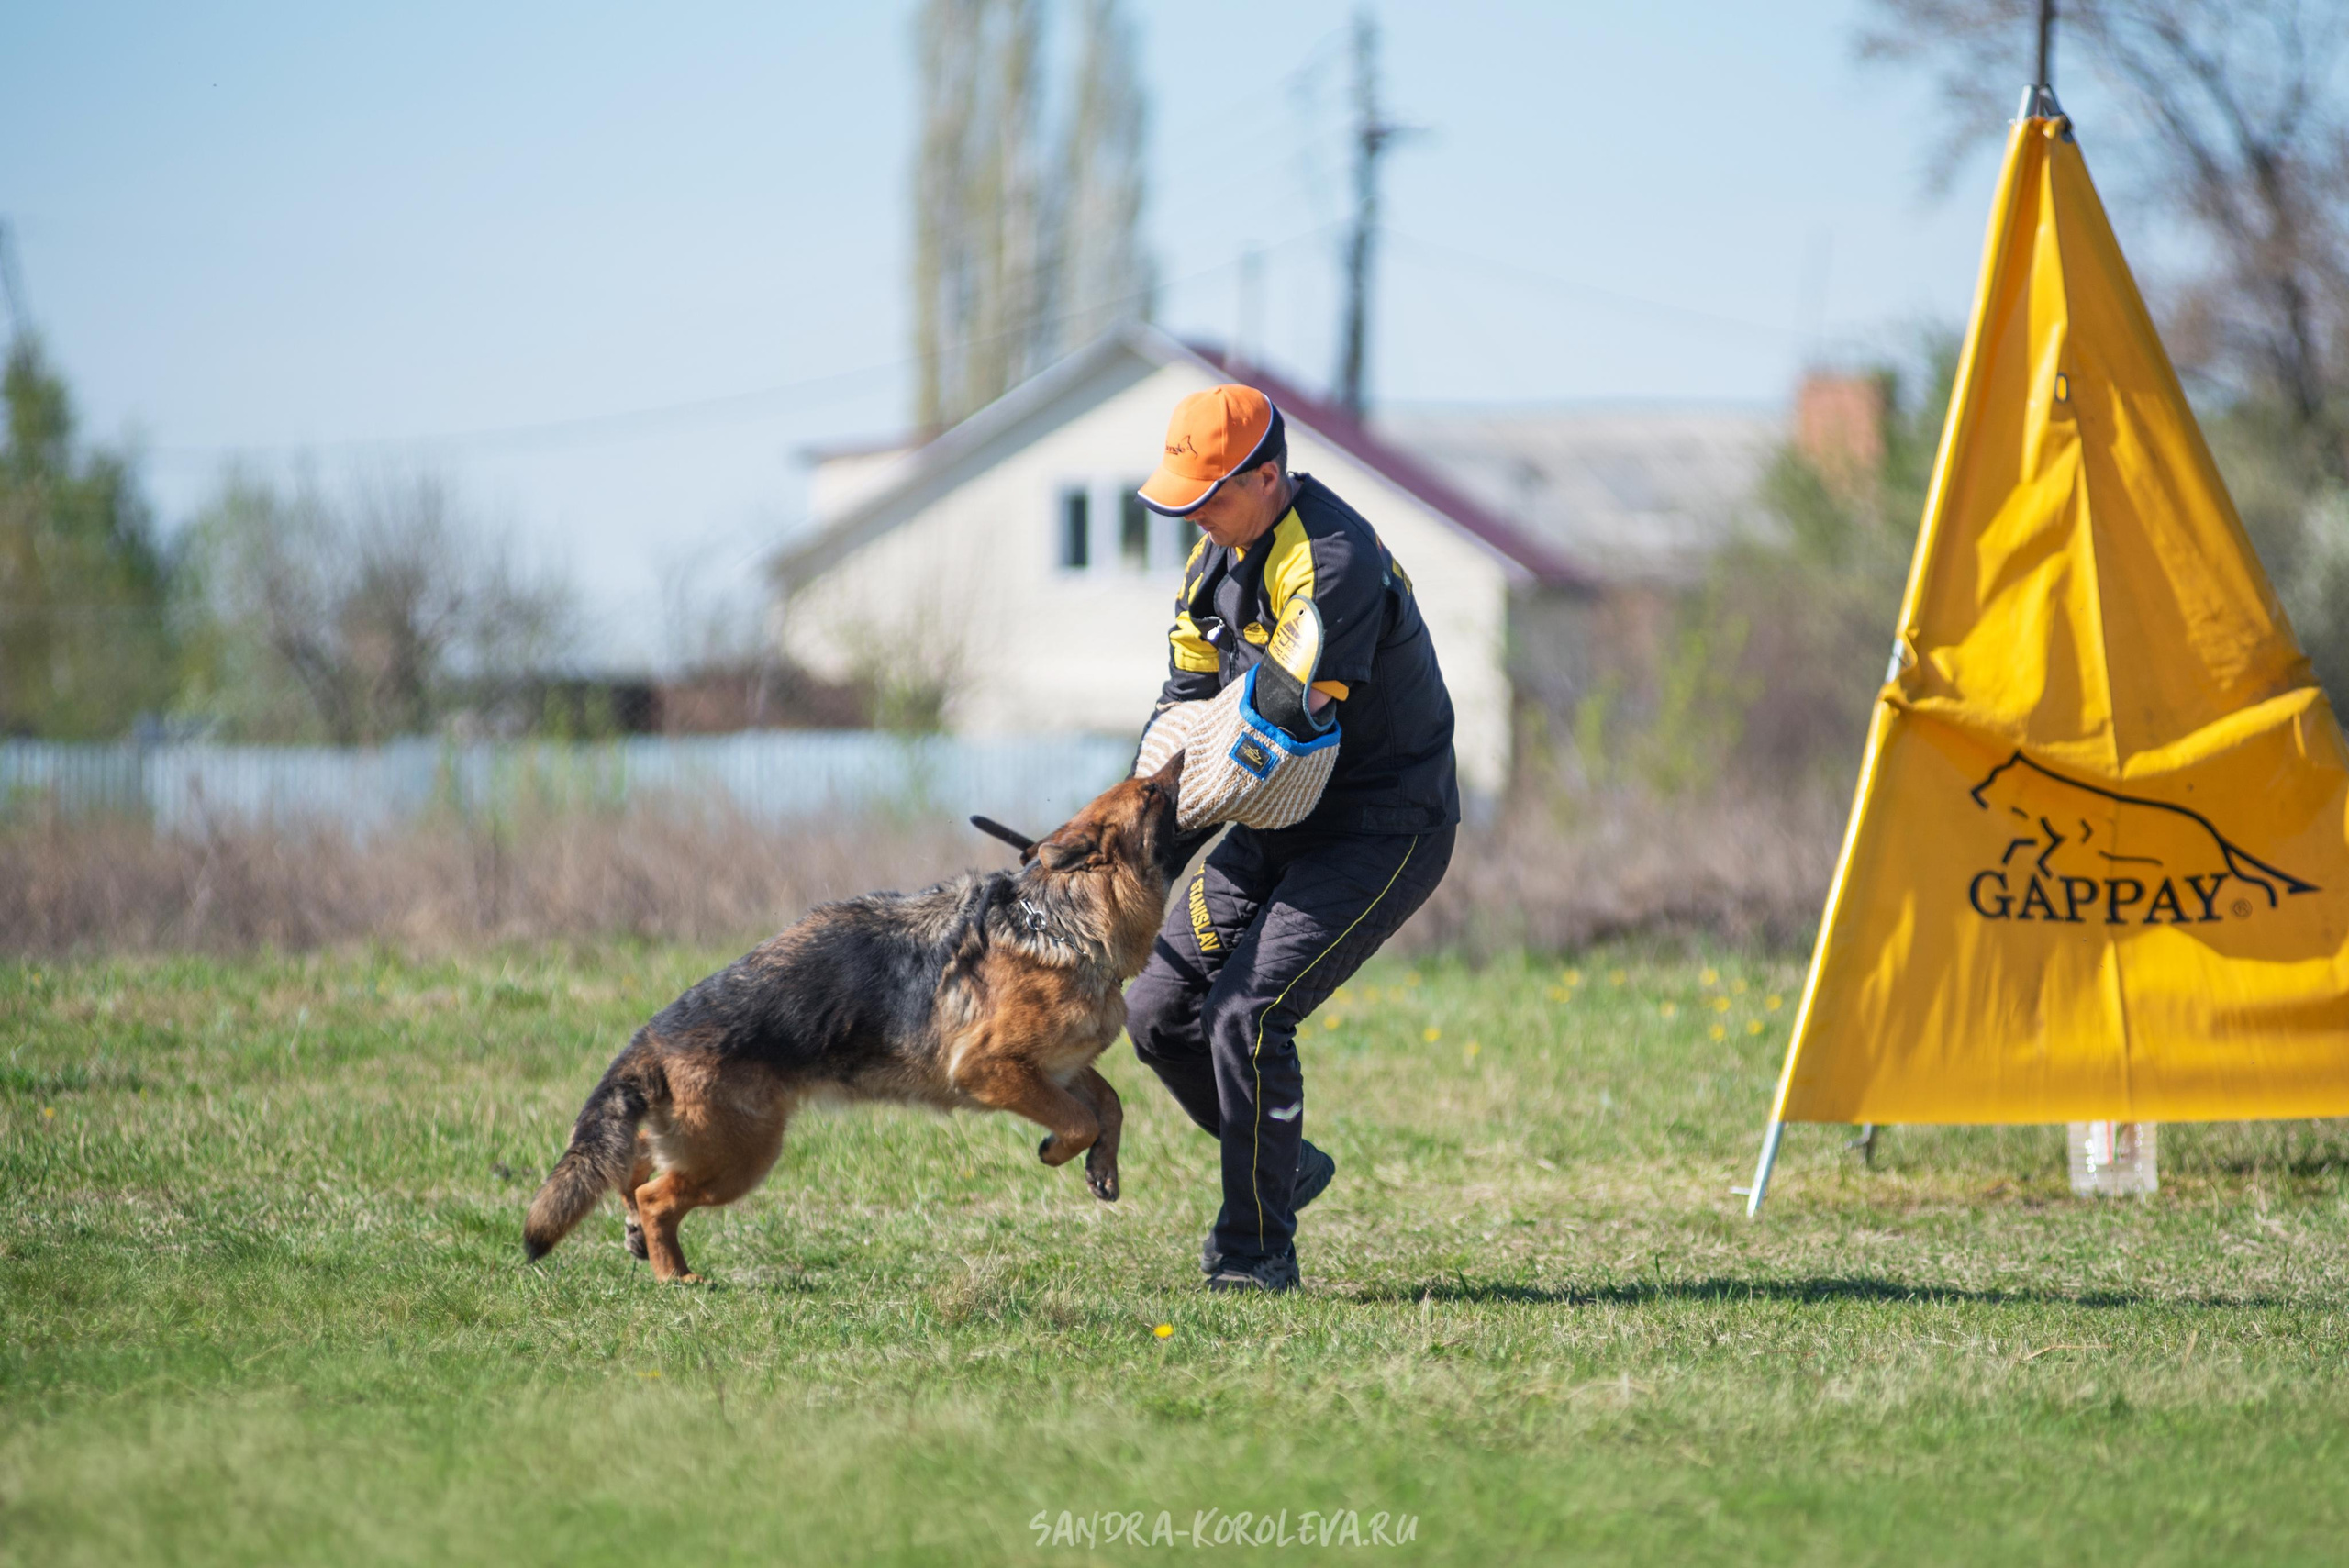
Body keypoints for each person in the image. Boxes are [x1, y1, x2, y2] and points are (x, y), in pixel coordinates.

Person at [1123, 384, 1458, 1293]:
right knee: (1156, 1005)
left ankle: (1255, 1250)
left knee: (1248, 1012)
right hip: (1278, 814)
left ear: (1267, 474)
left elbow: (1261, 727)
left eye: (1208, 494)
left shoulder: (1333, 560)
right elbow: (1182, 701)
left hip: (1382, 821)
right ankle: (1285, 1163)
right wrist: (1118, 848)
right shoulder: (1212, 560)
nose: (1191, 514)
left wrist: (1160, 847)